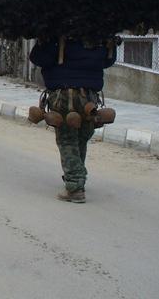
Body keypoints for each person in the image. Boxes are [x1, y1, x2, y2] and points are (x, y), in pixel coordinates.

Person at [29, 38, 117, 204]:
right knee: (81, 137)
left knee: (67, 139)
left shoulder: (57, 34)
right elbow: (108, 61)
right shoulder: (99, 35)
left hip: (64, 95)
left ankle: (75, 186)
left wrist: (42, 41)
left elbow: (39, 58)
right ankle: (77, 177)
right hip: (89, 96)